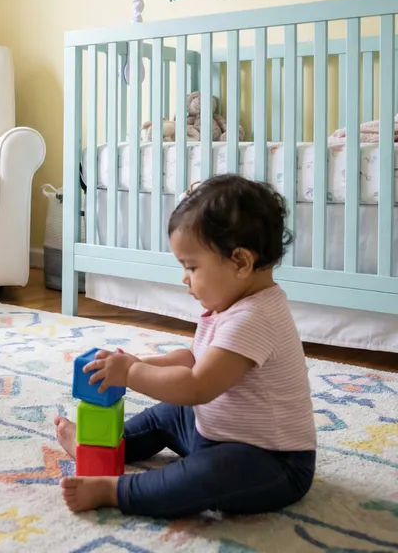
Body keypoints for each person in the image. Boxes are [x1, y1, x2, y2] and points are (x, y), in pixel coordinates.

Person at [55, 174, 316, 517]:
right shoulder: (230, 306)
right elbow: (193, 360)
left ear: (241, 262)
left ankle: (115, 490)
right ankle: (101, 448)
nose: (184, 278)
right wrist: (142, 361)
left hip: (271, 462)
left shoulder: (254, 318)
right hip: (215, 434)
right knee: (171, 412)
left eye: (192, 267)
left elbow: (197, 386)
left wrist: (132, 373)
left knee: (208, 473)